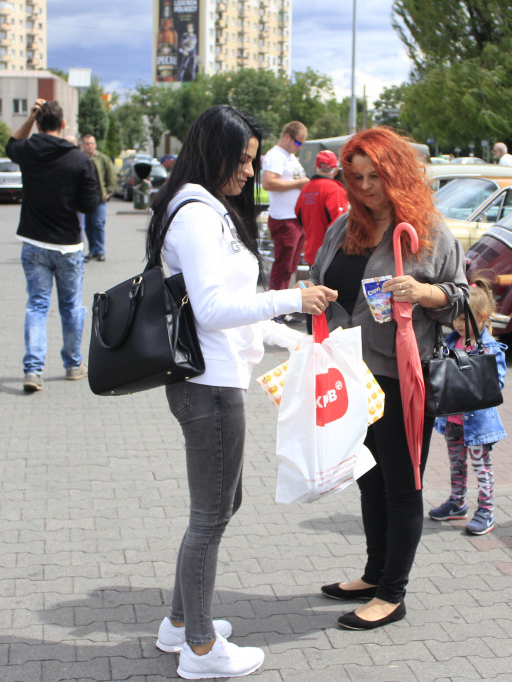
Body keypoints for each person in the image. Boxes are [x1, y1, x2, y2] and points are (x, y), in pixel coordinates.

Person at [146, 104, 336, 679]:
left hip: (213, 381)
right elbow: (213, 309)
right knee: (211, 516)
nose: (251, 172)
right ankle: (200, 649)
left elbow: (238, 317)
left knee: (220, 506)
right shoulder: (197, 217)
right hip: (209, 387)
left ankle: (180, 625)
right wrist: (291, 301)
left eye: (255, 160)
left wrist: (297, 341)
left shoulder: (204, 210)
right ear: (214, 153)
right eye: (244, 160)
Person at [308, 127, 467, 630]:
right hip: (350, 372)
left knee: (403, 484)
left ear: (397, 173)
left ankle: (393, 595)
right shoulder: (344, 227)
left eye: (376, 175)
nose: (366, 186)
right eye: (356, 177)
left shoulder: (429, 231)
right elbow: (324, 282)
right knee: (369, 479)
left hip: (403, 375)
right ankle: (374, 574)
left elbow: (466, 303)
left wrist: (423, 293)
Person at [6, 98, 100, 393]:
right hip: (68, 245)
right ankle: (73, 365)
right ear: (62, 124)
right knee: (71, 306)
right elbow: (90, 203)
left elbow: (11, 143)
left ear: (38, 123)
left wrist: (31, 117)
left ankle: (33, 370)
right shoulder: (79, 159)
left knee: (37, 305)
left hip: (33, 242)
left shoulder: (28, 152)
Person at [428, 278, 507, 536]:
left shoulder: (490, 348)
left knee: (480, 466)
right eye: (456, 319)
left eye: (464, 319)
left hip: (477, 423)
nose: (458, 325)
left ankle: (485, 510)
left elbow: (497, 383)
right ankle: (457, 502)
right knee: (456, 464)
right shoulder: (451, 341)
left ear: (482, 317)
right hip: (453, 419)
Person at [261, 121, 308, 294]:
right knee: (283, 266)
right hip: (284, 219)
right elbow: (268, 183)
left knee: (290, 266)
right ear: (287, 136)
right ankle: (277, 310)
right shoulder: (276, 156)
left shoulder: (288, 156)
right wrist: (299, 183)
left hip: (294, 218)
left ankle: (284, 306)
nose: (299, 147)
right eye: (298, 143)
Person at [294, 150, 348, 266]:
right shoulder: (335, 190)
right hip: (331, 257)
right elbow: (341, 226)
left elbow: (298, 217)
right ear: (335, 170)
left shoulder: (305, 189)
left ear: (315, 168)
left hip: (311, 255)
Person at [80, 133, 118, 262]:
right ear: (83, 145)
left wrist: (109, 191)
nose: (89, 146)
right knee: (88, 225)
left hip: (99, 197)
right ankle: (93, 250)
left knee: (98, 223)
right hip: (85, 198)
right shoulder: (80, 158)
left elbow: (112, 175)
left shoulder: (102, 158)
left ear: (95, 144)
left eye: (91, 143)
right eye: (87, 143)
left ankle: (100, 250)